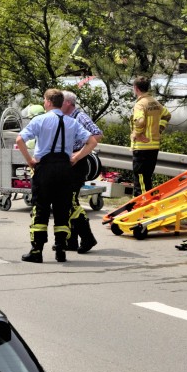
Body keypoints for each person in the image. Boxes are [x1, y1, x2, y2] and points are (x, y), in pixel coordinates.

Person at [14, 88, 97, 263]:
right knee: (62, 210)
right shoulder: (72, 122)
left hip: (44, 168)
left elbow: (20, 139)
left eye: (45, 100)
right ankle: (61, 250)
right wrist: (76, 157)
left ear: (49, 102)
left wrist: (29, 160)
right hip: (65, 169)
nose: (44, 103)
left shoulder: (40, 120)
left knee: (40, 209)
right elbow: (92, 141)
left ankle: (36, 251)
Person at [61, 90, 103, 253]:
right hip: (67, 164)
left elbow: (97, 134)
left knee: (71, 202)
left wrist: (79, 155)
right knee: (66, 203)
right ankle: (71, 240)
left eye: (62, 101)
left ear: (69, 103)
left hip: (77, 164)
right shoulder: (65, 117)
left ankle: (87, 238)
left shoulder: (80, 117)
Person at [129, 75, 171, 196]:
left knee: (140, 179)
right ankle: (147, 205)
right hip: (154, 147)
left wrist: (137, 134)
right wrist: (160, 129)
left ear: (136, 88)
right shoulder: (155, 102)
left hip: (142, 147)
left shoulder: (140, 104)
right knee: (147, 178)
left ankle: (141, 205)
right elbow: (167, 115)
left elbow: (140, 121)